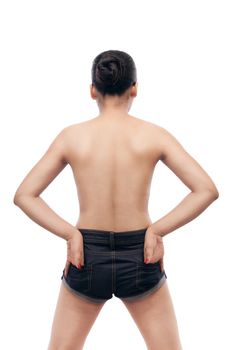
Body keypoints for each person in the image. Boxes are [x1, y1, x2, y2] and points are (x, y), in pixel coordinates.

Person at [13, 49, 219, 350]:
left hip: (86, 255)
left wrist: (71, 234)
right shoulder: (154, 135)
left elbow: (25, 195)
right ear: (134, 87)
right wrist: (158, 229)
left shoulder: (71, 137)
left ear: (93, 89)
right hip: (141, 254)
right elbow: (206, 189)